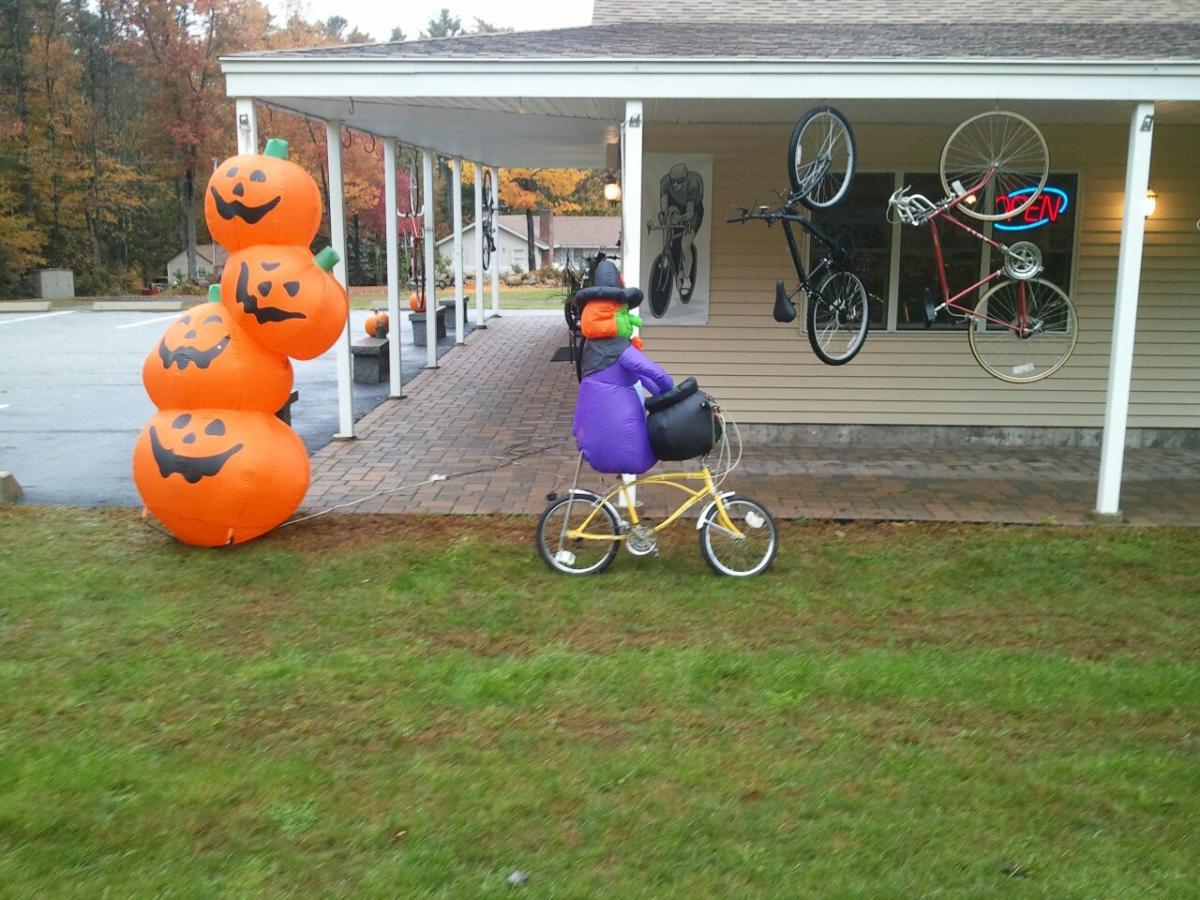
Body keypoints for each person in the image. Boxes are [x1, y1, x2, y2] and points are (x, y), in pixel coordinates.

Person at [571, 260, 674, 475]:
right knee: (638, 452)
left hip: (590, 422)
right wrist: (670, 390)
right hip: (621, 423)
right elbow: (652, 372)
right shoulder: (619, 349)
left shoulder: (590, 349)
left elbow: (639, 375)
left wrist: (660, 393)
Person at [658, 163, 704, 294]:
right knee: (667, 219)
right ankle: (666, 252)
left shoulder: (693, 182)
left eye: (679, 182)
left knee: (685, 243)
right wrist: (664, 215)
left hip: (693, 210)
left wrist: (682, 219)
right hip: (676, 206)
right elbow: (664, 205)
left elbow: (690, 212)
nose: (676, 185)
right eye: (673, 182)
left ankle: (686, 278)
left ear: (685, 179)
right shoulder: (665, 182)